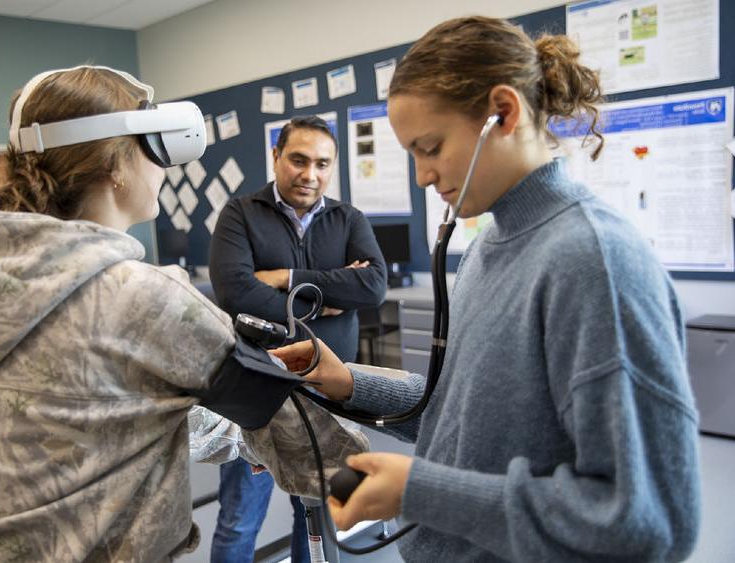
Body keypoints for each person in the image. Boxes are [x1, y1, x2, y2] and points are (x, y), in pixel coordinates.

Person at [274, 16, 701, 563]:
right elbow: (459, 419)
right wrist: (346, 381)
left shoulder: (594, 263)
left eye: (430, 147)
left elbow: (649, 520)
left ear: (503, 112)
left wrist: (418, 490)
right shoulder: (490, 243)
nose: (423, 175)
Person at [0, 66, 369, 562]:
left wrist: (235, 435)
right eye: (154, 147)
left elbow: (96, 409)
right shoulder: (144, 298)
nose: (163, 168)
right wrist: (373, 486)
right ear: (115, 163)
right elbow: (303, 437)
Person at [208, 115, 387, 562]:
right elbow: (236, 293)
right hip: (257, 395)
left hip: (331, 394)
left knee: (320, 515)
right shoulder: (240, 214)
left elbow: (372, 287)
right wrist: (322, 302)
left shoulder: (349, 219)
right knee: (239, 518)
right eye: (298, 160)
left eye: (322, 164)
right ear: (276, 156)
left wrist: (287, 279)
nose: (310, 175)